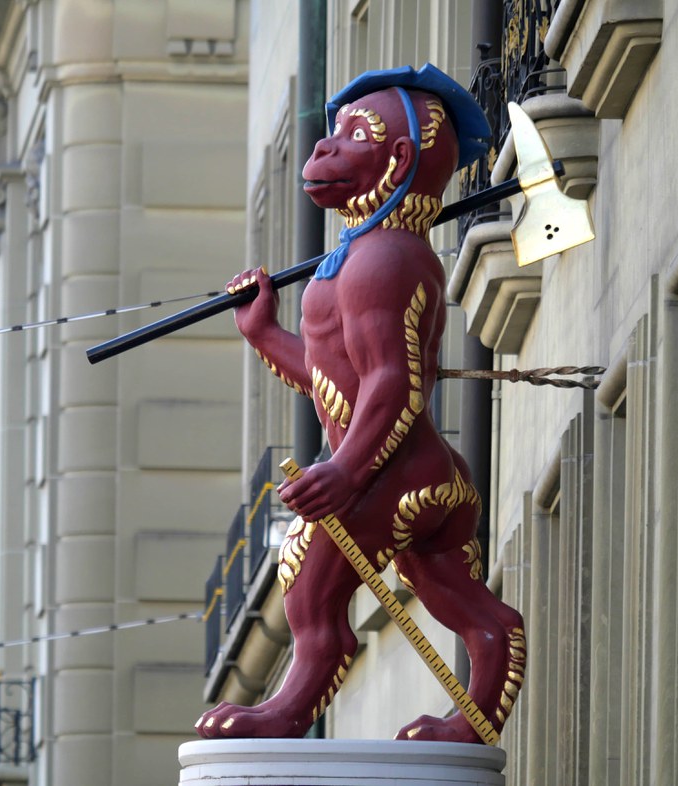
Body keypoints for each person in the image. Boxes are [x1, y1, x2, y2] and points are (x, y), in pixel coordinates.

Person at [195, 65, 525, 743]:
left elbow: (391, 385)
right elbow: (330, 376)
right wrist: (263, 331)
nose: (323, 150)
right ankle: (486, 676)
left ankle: (289, 712)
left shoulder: (386, 259)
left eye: (351, 136)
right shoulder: (362, 257)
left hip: (390, 472)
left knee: (310, 581)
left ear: (398, 159)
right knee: (455, 598)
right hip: (422, 475)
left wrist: (345, 473)